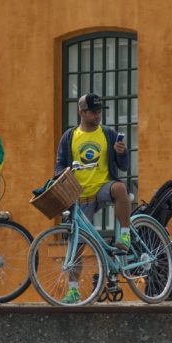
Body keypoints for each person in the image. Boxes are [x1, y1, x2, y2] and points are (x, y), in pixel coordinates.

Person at [55, 93, 130, 303]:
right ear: (82, 112)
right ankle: (73, 290)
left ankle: (125, 234)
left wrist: (121, 153)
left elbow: (124, 166)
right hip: (80, 195)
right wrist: (61, 178)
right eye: (93, 112)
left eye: (99, 112)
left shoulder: (108, 134)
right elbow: (59, 165)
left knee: (121, 189)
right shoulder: (70, 137)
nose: (98, 115)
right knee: (76, 244)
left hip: (102, 187)